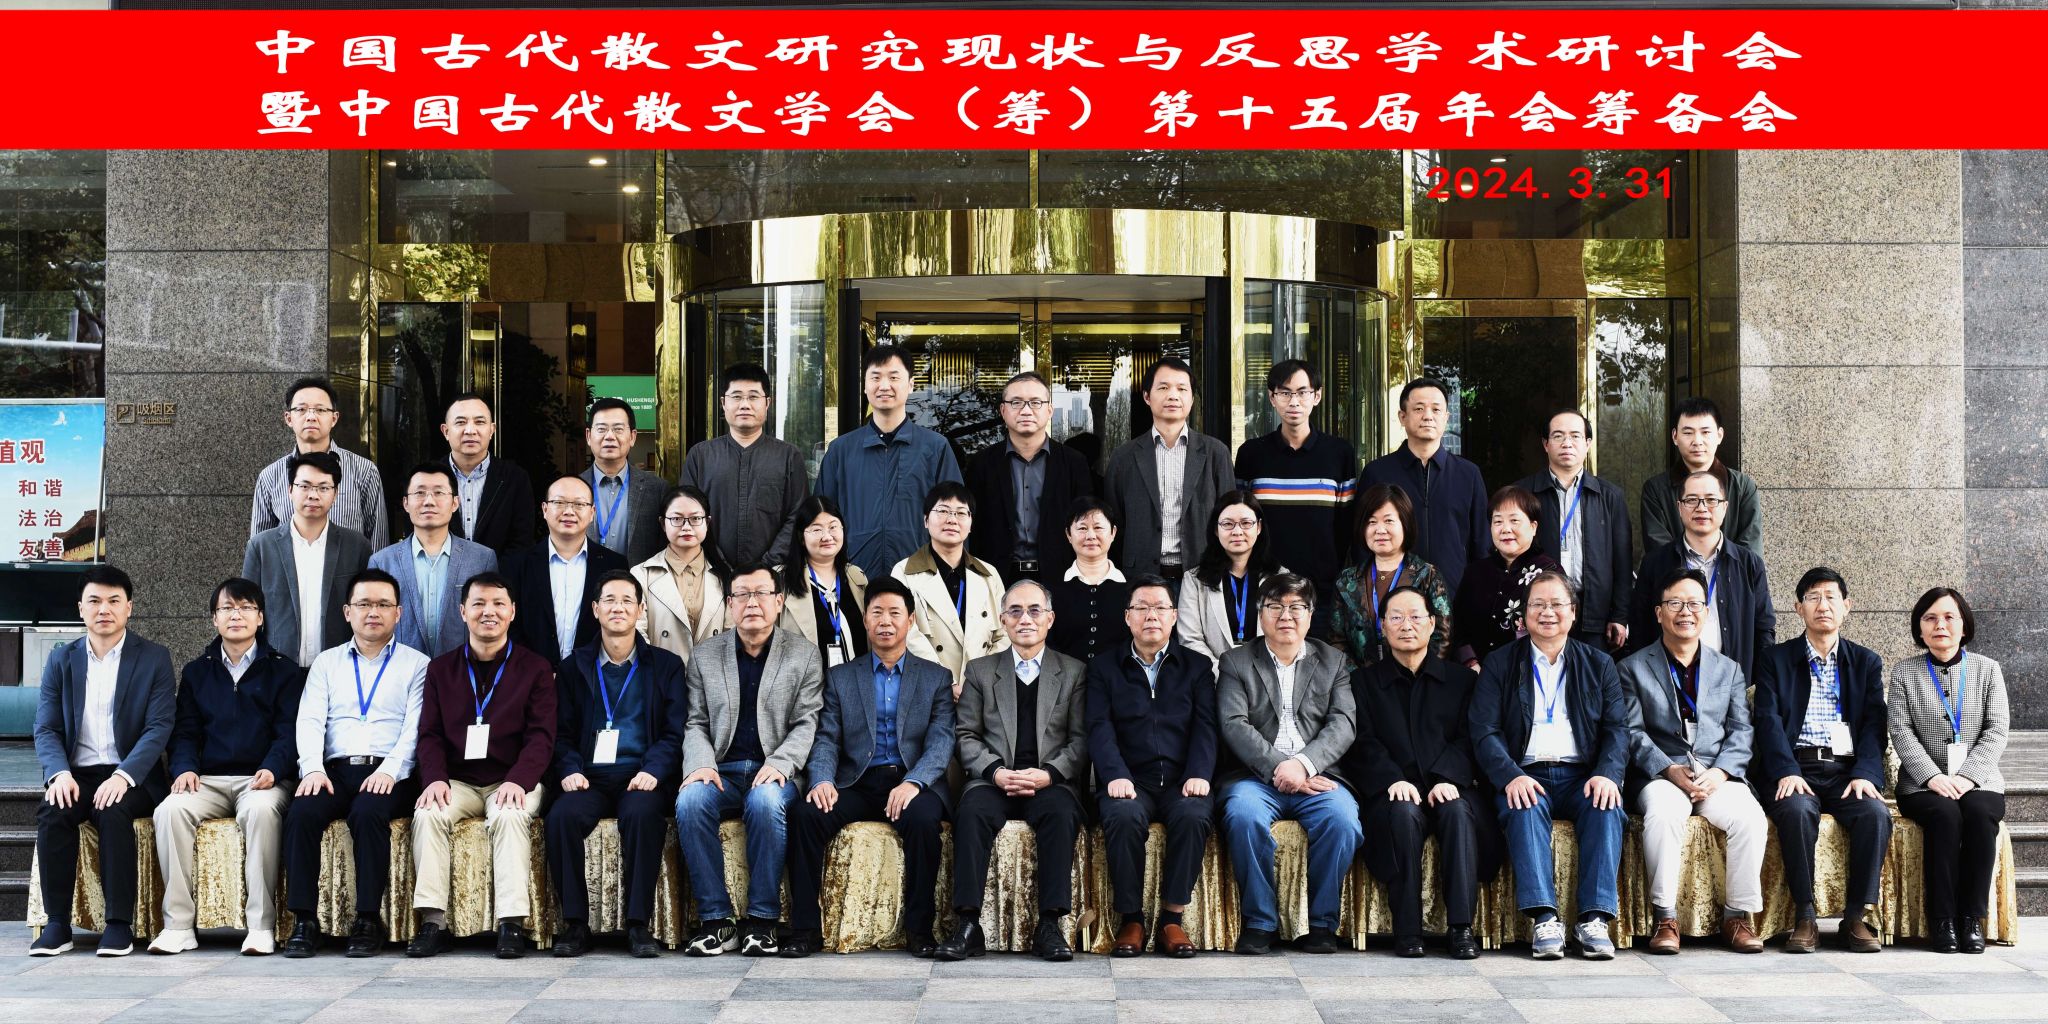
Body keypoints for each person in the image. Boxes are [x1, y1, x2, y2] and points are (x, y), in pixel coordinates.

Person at [781, 576, 955, 959]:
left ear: (911, 620)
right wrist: (822, 779)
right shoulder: (841, 677)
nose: (885, 621)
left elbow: (941, 741)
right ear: (864, 620)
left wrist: (914, 782)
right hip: (857, 783)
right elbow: (826, 738)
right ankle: (805, 929)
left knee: (924, 821)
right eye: (877, 612)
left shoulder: (936, 677)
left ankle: (920, 930)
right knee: (806, 815)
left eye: (895, 613)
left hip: (910, 782)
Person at [1469, 572, 1629, 961]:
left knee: (1606, 807)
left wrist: (1607, 773)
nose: (1547, 612)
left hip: (1582, 776)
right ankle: (1545, 919)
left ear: (1573, 612)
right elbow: (1484, 730)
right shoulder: (1500, 663)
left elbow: (1617, 729)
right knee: (1523, 808)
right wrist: (1510, 775)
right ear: (1524, 615)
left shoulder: (1599, 663)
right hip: (1526, 773)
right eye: (1538, 604)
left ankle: (1594, 919)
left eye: (1557, 604)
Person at [406, 572, 558, 960]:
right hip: (458, 781)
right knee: (428, 813)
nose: (488, 612)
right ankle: (433, 922)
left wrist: (520, 781)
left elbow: (541, 736)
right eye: (478, 604)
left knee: (510, 815)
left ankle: (511, 923)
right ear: (463, 612)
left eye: (498, 604)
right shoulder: (441, 669)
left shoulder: (535, 668)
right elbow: (429, 734)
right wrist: (434, 779)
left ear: (512, 612)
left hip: (512, 778)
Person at [675, 564, 824, 958]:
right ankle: (716, 921)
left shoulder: (804, 655)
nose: (752, 602)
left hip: (775, 769)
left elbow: (808, 721)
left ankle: (761, 921)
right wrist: (701, 764)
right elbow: (696, 721)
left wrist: (782, 762)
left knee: (765, 801)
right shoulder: (706, 655)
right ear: (730, 604)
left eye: (761, 593)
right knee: (690, 801)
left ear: (779, 601)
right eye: (742, 594)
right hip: (721, 769)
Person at [281, 568, 431, 959]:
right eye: (364, 604)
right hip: (334, 770)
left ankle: (367, 920)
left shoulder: (417, 664)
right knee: (302, 812)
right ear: (348, 612)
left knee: (368, 813)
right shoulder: (326, 663)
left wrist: (390, 770)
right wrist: (312, 768)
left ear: (398, 613)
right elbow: (310, 720)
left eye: (383, 604)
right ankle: (304, 921)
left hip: (391, 772)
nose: (373, 612)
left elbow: (416, 728)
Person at [149, 578, 304, 956]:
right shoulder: (197, 672)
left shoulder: (284, 671)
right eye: (227, 609)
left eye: (246, 607)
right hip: (209, 780)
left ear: (260, 618)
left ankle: (261, 926)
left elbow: (290, 732)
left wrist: (273, 768)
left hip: (262, 779)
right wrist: (184, 768)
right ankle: (178, 925)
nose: (236, 615)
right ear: (214, 619)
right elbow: (185, 731)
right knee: (170, 810)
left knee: (261, 812)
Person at [938, 580, 1090, 963]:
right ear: (1003, 620)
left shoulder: (1073, 672)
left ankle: (1050, 924)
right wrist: (995, 772)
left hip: (1049, 780)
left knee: (1061, 813)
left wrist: (1049, 774)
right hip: (994, 779)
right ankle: (968, 924)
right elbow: (965, 734)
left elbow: (1081, 739)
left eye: (1035, 610)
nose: (1026, 619)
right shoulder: (980, 671)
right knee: (971, 813)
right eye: (1016, 611)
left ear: (1050, 619)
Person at [1618, 568, 1768, 955]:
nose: (1685, 611)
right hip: (1662, 774)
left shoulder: (1729, 669)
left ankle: (1736, 917)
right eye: (1675, 603)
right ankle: (1665, 918)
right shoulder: (1632, 667)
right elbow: (1632, 731)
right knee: (1665, 813)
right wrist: (1668, 769)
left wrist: (1720, 772)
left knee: (1749, 817)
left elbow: (1742, 730)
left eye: (1694, 603)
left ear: (1706, 612)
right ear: (1658, 612)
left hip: (1716, 774)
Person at [1343, 585, 1497, 960]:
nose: (1406, 625)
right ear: (1383, 626)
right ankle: (1408, 930)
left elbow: (1471, 738)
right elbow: (1362, 742)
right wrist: (1392, 779)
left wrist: (1447, 777)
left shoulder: (1462, 681)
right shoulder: (1363, 682)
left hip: (1450, 785)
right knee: (1402, 814)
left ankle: (1461, 928)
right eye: (1396, 617)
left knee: (1458, 811)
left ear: (1432, 624)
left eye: (1415, 616)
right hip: (1393, 789)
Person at [28, 566, 174, 957]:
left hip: (133, 775)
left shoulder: (154, 658)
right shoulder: (61, 660)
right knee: (53, 810)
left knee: (113, 810)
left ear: (129, 607)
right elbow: (46, 727)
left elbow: (159, 727)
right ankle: (57, 924)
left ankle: (118, 924)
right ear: (81, 608)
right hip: (77, 773)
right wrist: (58, 773)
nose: (103, 609)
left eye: (113, 601)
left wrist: (124, 776)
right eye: (94, 601)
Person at [1216, 573, 1361, 955]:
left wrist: (1304, 765)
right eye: (1275, 607)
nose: (1286, 616)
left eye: (1296, 607)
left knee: (1342, 820)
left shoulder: (1333, 662)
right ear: (1260, 614)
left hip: (1317, 776)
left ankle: (1322, 924)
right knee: (1243, 815)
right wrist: (1281, 767)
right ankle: (1260, 922)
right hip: (1255, 778)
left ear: (1311, 615)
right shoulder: (1235, 661)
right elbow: (1233, 724)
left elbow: (1343, 724)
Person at [1750, 567, 1892, 954]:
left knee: (1875, 814)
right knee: (1796, 810)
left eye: (1831, 597)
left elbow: (1873, 725)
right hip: (1796, 766)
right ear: (1799, 608)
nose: (1822, 605)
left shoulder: (1866, 662)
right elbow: (1767, 720)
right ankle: (1805, 916)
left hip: (1847, 771)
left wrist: (1866, 774)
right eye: (1813, 597)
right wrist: (1785, 770)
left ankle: (1855, 917)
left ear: (1847, 606)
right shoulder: (1775, 660)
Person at [546, 570, 686, 960]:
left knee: (643, 815)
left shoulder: (666, 666)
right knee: (561, 817)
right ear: (595, 609)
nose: (618, 608)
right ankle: (576, 924)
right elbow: (561, 732)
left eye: (627, 601)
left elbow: (675, 731)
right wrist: (570, 769)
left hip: (640, 776)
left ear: (641, 610)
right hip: (588, 778)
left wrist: (654, 769)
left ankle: (638, 924)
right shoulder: (573, 667)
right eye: (609, 600)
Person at [1087, 574, 1215, 959]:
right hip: (1131, 779)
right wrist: (1115, 774)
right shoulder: (1104, 667)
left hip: (1182, 779)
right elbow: (1098, 726)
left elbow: (1206, 725)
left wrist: (1199, 772)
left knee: (1193, 815)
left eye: (1160, 607)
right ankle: (1132, 919)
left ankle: (1172, 920)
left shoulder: (1196, 666)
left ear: (1174, 616)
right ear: (1127, 617)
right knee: (1122, 816)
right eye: (1141, 607)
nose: (1151, 615)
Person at [1890, 587, 2009, 956]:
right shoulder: (1905, 672)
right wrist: (1932, 777)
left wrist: (1967, 777)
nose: (1939, 625)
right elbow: (1900, 730)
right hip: (1922, 784)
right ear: (1920, 628)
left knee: (1978, 814)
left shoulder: (1988, 670)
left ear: (1964, 626)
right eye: (1930, 618)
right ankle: (1942, 920)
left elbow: (1996, 729)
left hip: (1980, 780)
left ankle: (1971, 919)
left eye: (1948, 617)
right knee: (1944, 815)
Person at [816, 344, 963, 577]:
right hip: (854, 578)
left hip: (922, 577)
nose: (884, 386)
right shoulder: (840, 451)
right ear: (865, 385)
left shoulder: (935, 448)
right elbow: (821, 518)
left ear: (911, 384)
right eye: (875, 377)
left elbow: (955, 518)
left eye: (894, 377)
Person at [1234, 359, 1356, 636]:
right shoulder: (1251, 454)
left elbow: (1345, 528)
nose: (1294, 401)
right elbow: (1242, 522)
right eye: (1285, 393)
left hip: (1321, 592)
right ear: (1272, 398)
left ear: (1317, 396)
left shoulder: (1339, 454)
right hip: (1265, 589)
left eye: (1302, 392)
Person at [1102, 356, 1235, 585]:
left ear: (1192, 398)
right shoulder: (1124, 457)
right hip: (1140, 579)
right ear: (1147, 396)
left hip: (1201, 577)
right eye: (1163, 388)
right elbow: (1113, 523)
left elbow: (1229, 518)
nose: (1173, 395)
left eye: (1182, 389)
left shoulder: (1216, 453)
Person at [1631, 470, 1775, 681]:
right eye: (1691, 500)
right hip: (1669, 681)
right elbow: (1640, 628)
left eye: (1711, 500)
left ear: (1725, 507)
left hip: (1731, 681)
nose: (1701, 508)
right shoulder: (1656, 563)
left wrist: (1761, 685)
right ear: (1679, 507)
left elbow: (1764, 629)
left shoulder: (1748, 564)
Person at [1355, 376, 1489, 594]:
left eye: (1436, 409)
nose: (1428, 416)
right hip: (1392, 598)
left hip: (1455, 597)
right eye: (1419, 409)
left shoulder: (1468, 474)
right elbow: (1362, 542)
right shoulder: (1377, 472)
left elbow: (1481, 544)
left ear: (1446, 417)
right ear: (1402, 416)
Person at [243, 450, 373, 667]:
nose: (313, 495)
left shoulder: (357, 546)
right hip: (277, 670)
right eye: (304, 486)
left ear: (336, 493)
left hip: (340, 668)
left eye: (323, 488)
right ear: (290, 490)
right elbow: (247, 611)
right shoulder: (261, 546)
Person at [963, 370, 1095, 586]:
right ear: (1003, 410)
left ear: (1049, 410)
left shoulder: (1073, 463)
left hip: (1060, 577)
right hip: (995, 578)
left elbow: (1085, 523)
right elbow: (972, 526)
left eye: (1035, 402)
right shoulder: (982, 464)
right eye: (1016, 403)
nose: (1026, 410)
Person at [1516, 410, 1631, 652]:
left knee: (1589, 674)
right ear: (1546, 444)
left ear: (1587, 444)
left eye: (1575, 436)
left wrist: (1619, 615)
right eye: (1558, 436)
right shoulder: (1524, 493)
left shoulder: (1610, 496)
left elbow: (1623, 562)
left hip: (1595, 615)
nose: (1567, 443)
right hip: (1542, 613)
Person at [680, 363, 810, 566]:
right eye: (736, 396)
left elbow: (797, 515)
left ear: (767, 403)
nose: (745, 405)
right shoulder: (700, 456)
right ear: (723, 403)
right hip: (709, 571)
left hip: (774, 574)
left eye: (753, 397)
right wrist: (718, 563)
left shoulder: (788, 457)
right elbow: (688, 514)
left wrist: (767, 565)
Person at [370, 462, 498, 656]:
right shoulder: (382, 562)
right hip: (401, 670)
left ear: (455, 503)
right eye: (420, 493)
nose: (429, 501)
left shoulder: (482, 559)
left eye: (439, 493)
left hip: (462, 669)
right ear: (406, 503)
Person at [891, 482, 1008, 694]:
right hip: (927, 688)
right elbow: (906, 633)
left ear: (971, 524)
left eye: (961, 513)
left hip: (983, 690)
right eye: (943, 511)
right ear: (926, 520)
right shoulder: (904, 572)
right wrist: (944, 682)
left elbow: (1005, 632)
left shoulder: (988, 574)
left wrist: (982, 680)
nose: (952, 520)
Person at [503, 475, 628, 667]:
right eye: (559, 503)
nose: (569, 511)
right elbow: (509, 624)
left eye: (579, 504)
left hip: (594, 676)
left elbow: (618, 625)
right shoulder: (516, 564)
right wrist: (536, 671)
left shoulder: (614, 565)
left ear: (592, 512)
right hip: (531, 676)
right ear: (545, 509)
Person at [252, 376, 389, 550]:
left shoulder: (364, 471)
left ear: (334, 418)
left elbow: (378, 544)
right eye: (301, 409)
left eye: (320, 410)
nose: (311, 417)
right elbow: (259, 548)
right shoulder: (269, 477)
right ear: (288, 418)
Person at [1333, 484, 1453, 667]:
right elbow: (1337, 640)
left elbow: (1442, 637)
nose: (1380, 530)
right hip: (1361, 681)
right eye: (1372, 522)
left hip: (1415, 679)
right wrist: (1360, 679)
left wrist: (1418, 676)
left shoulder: (1428, 576)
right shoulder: (1346, 581)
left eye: (1388, 521)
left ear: (1405, 523)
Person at [1451, 486, 1563, 668]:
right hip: (1477, 674)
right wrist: (1470, 663)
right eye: (1497, 521)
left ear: (1533, 527)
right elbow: (1457, 624)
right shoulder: (1474, 572)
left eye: (1514, 521)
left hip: (1529, 672)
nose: (1505, 529)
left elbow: (1559, 627)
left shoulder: (1549, 572)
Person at [1178, 491, 1287, 670]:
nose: (1237, 531)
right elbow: (1190, 640)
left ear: (1259, 527)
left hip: (1268, 676)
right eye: (1228, 524)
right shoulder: (1194, 580)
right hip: (1214, 677)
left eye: (1246, 523)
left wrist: (1258, 677)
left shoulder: (1280, 578)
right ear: (1216, 529)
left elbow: (1286, 635)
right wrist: (1225, 674)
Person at [1639, 396, 1760, 555]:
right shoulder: (1656, 490)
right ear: (1675, 436)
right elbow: (1659, 552)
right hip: (1675, 572)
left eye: (1705, 432)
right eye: (1688, 432)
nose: (1697, 441)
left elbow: (1750, 553)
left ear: (1719, 435)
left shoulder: (1743, 487)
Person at [630, 485, 732, 661]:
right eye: (677, 519)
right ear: (663, 523)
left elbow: (732, 634)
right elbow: (637, 632)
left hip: (711, 674)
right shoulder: (641, 574)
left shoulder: (725, 575)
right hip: (661, 673)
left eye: (695, 518)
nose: (686, 527)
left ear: (707, 523)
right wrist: (660, 671)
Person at [776, 495, 869, 671]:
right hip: (808, 685)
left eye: (833, 527)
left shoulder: (856, 576)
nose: (827, 536)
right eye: (816, 530)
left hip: (857, 682)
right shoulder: (780, 580)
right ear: (801, 537)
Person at [442, 392, 537, 558]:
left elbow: (521, 543)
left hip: (498, 574)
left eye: (479, 422)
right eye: (461, 422)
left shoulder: (515, 479)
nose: (470, 430)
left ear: (492, 430)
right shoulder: (427, 478)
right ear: (446, 431)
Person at [582, 396, 670, 566]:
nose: (609, 436)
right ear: (588, 436)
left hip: (639, 581)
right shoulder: (572, 488)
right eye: (601, 429)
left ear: (632, 437)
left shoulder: (657, 489)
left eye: (618, 429)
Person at [1046, 497, 1130, 665]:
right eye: (1082, 528)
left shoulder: (1132, 590)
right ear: (1069, 534)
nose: (1091, 536)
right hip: (1066, 679)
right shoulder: (1051, 590)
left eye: (1098, 527)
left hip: (1119, 679)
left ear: (1113, 532)